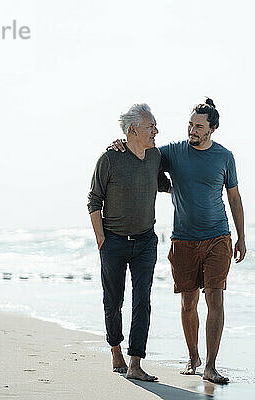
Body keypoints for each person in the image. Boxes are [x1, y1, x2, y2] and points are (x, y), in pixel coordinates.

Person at [112, 98, 246, 384]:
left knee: (215, 298)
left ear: (212, 129)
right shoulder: (173, 152)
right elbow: (142, 151)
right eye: (190, 124)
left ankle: (210, 365)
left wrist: (241, 237)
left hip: (218, 238)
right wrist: (120, 143)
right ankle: (193, 357)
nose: (192, 130)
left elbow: (234, 197)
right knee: (188, 302)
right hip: (183, 239)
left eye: (199, 126)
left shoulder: (225, 157)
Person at [87, 103, 170, 382]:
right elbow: (93, 200)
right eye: (151, 127)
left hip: (146, 241)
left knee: (142, 301)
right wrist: (101, 240)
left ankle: (136, 362)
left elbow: (163, 182)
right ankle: (116, 351)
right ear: (133, 130)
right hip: (114, 242)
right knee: (113, 300)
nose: (156, 131)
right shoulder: (110, 158)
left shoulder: (156, 155)